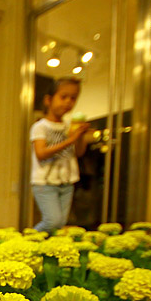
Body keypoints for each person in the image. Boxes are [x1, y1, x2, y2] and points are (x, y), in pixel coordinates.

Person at [30, 77, 90, 233]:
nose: (68, 102)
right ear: (48, 100)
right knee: (52, 221)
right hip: (45, 182)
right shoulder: (40, 127)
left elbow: (79, 153)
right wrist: (71, 139)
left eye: (73, 98)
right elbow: (41, 154)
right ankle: (28, 240)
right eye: (63, 97)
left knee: (59, 224)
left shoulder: (69, 127)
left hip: (67, 181)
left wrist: (80, 136)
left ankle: (46, 253)